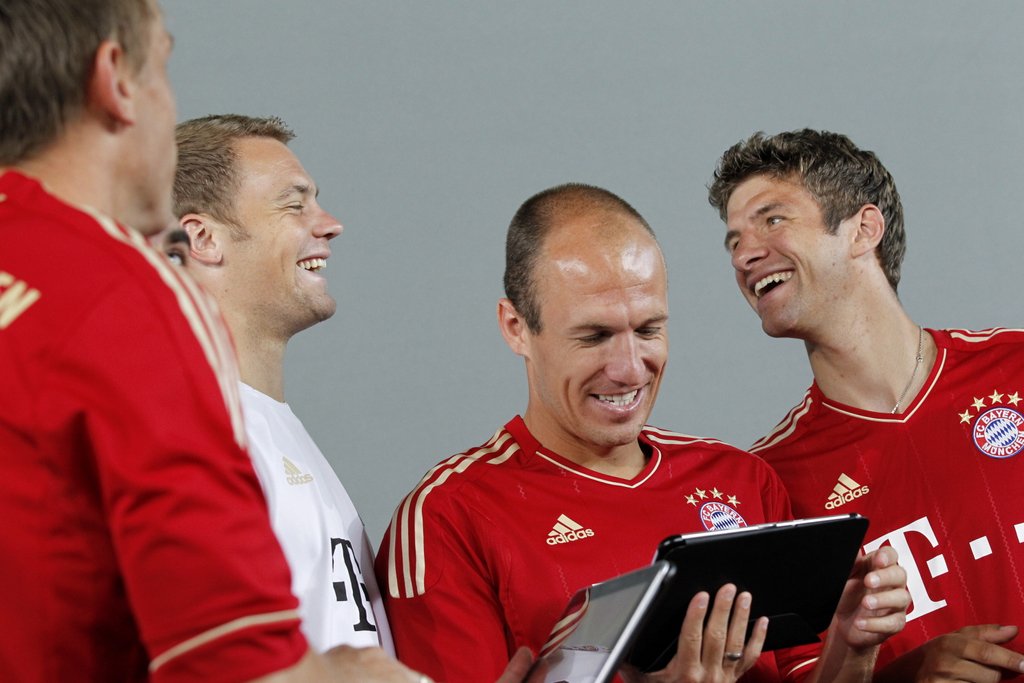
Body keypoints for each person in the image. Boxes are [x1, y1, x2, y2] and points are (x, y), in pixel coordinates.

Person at [0, 2, 518, 680]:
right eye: (163, 68)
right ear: (117, 79)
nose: (329, 224)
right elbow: (232, 660)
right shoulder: (124, 295)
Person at [376, 183, 909, 683]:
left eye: (649, 329)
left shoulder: (743, 480)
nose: (630, 368)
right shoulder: (448, 519)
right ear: (516, 328)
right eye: (595, 336)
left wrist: (851, 647)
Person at [708, 128, 1024, 681]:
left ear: (864, 230)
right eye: (733, 241)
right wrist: (904, 676)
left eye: (773, 220)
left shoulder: (1015, 366)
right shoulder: (770, 482)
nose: (745, 254)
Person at [171, 113, 389, 653]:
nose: (330, 224)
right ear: (202, 237)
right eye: (294, 205)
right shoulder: (188, 437)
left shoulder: (263, 423)